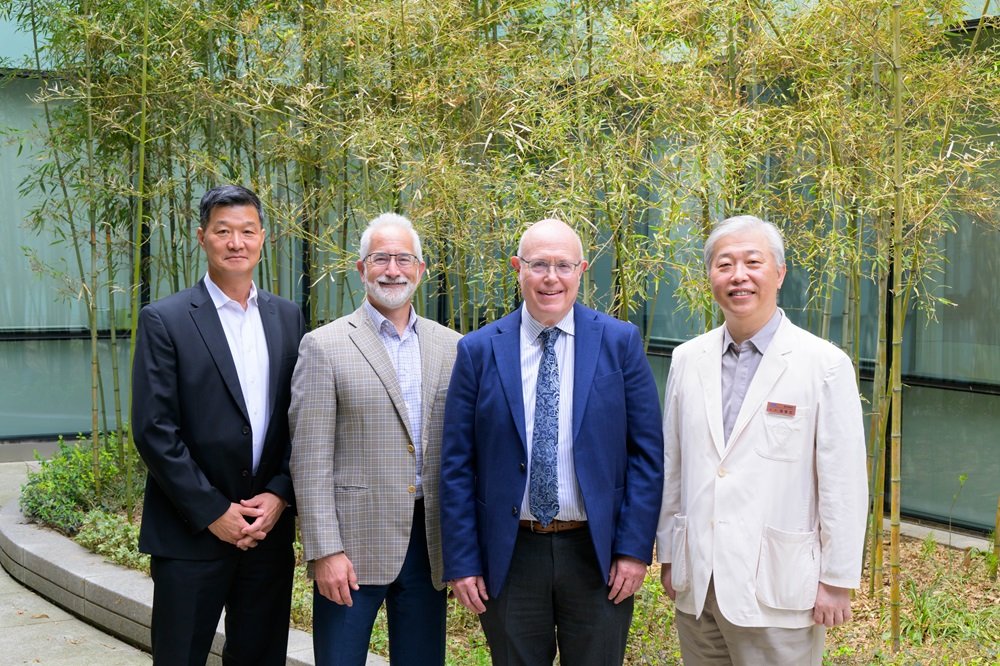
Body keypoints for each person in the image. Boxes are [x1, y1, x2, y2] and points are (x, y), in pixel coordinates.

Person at [440, 218, 664, 665]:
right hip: (510, 554)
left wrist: (633, 550)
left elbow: (646, 455)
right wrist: (463, 562)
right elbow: (457, 464)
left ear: (581, 270)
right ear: (517, 268)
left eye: (563, 265)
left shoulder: (620, 342)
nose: (551, 278)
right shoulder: (478, 350)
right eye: (538, 264)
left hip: (597, 554)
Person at [656, 215, 868, 665]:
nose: (739, 275)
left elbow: (844, 483)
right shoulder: (687, 359)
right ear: (710, 276)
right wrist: (671, 554)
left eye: (753, 262)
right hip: (700, 582)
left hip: (777, 586)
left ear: (780, 273)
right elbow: (674, 466)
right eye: (724, 264)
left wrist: (837, 580)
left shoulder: (823, 364)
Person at [131, 184, 305, 665]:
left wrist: (280, 492)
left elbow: (300, 417)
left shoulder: (288, 317)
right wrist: (213, 511)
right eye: (223, 231)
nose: (236, 242)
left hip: (267, 531)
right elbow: (154, 429)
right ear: (201, 237)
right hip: (190, 533)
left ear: (263, 238)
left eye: (247, 231)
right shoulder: (165, 319)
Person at [289, 213, 461, 666]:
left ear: (421, 270)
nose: (392, 270)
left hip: (429, 543)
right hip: (352, 544)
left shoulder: (452, 346)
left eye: (404, 259)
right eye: (381, 258)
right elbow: (309, 460)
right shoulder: (324, 346)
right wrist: (325, 550)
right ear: (361, 268)